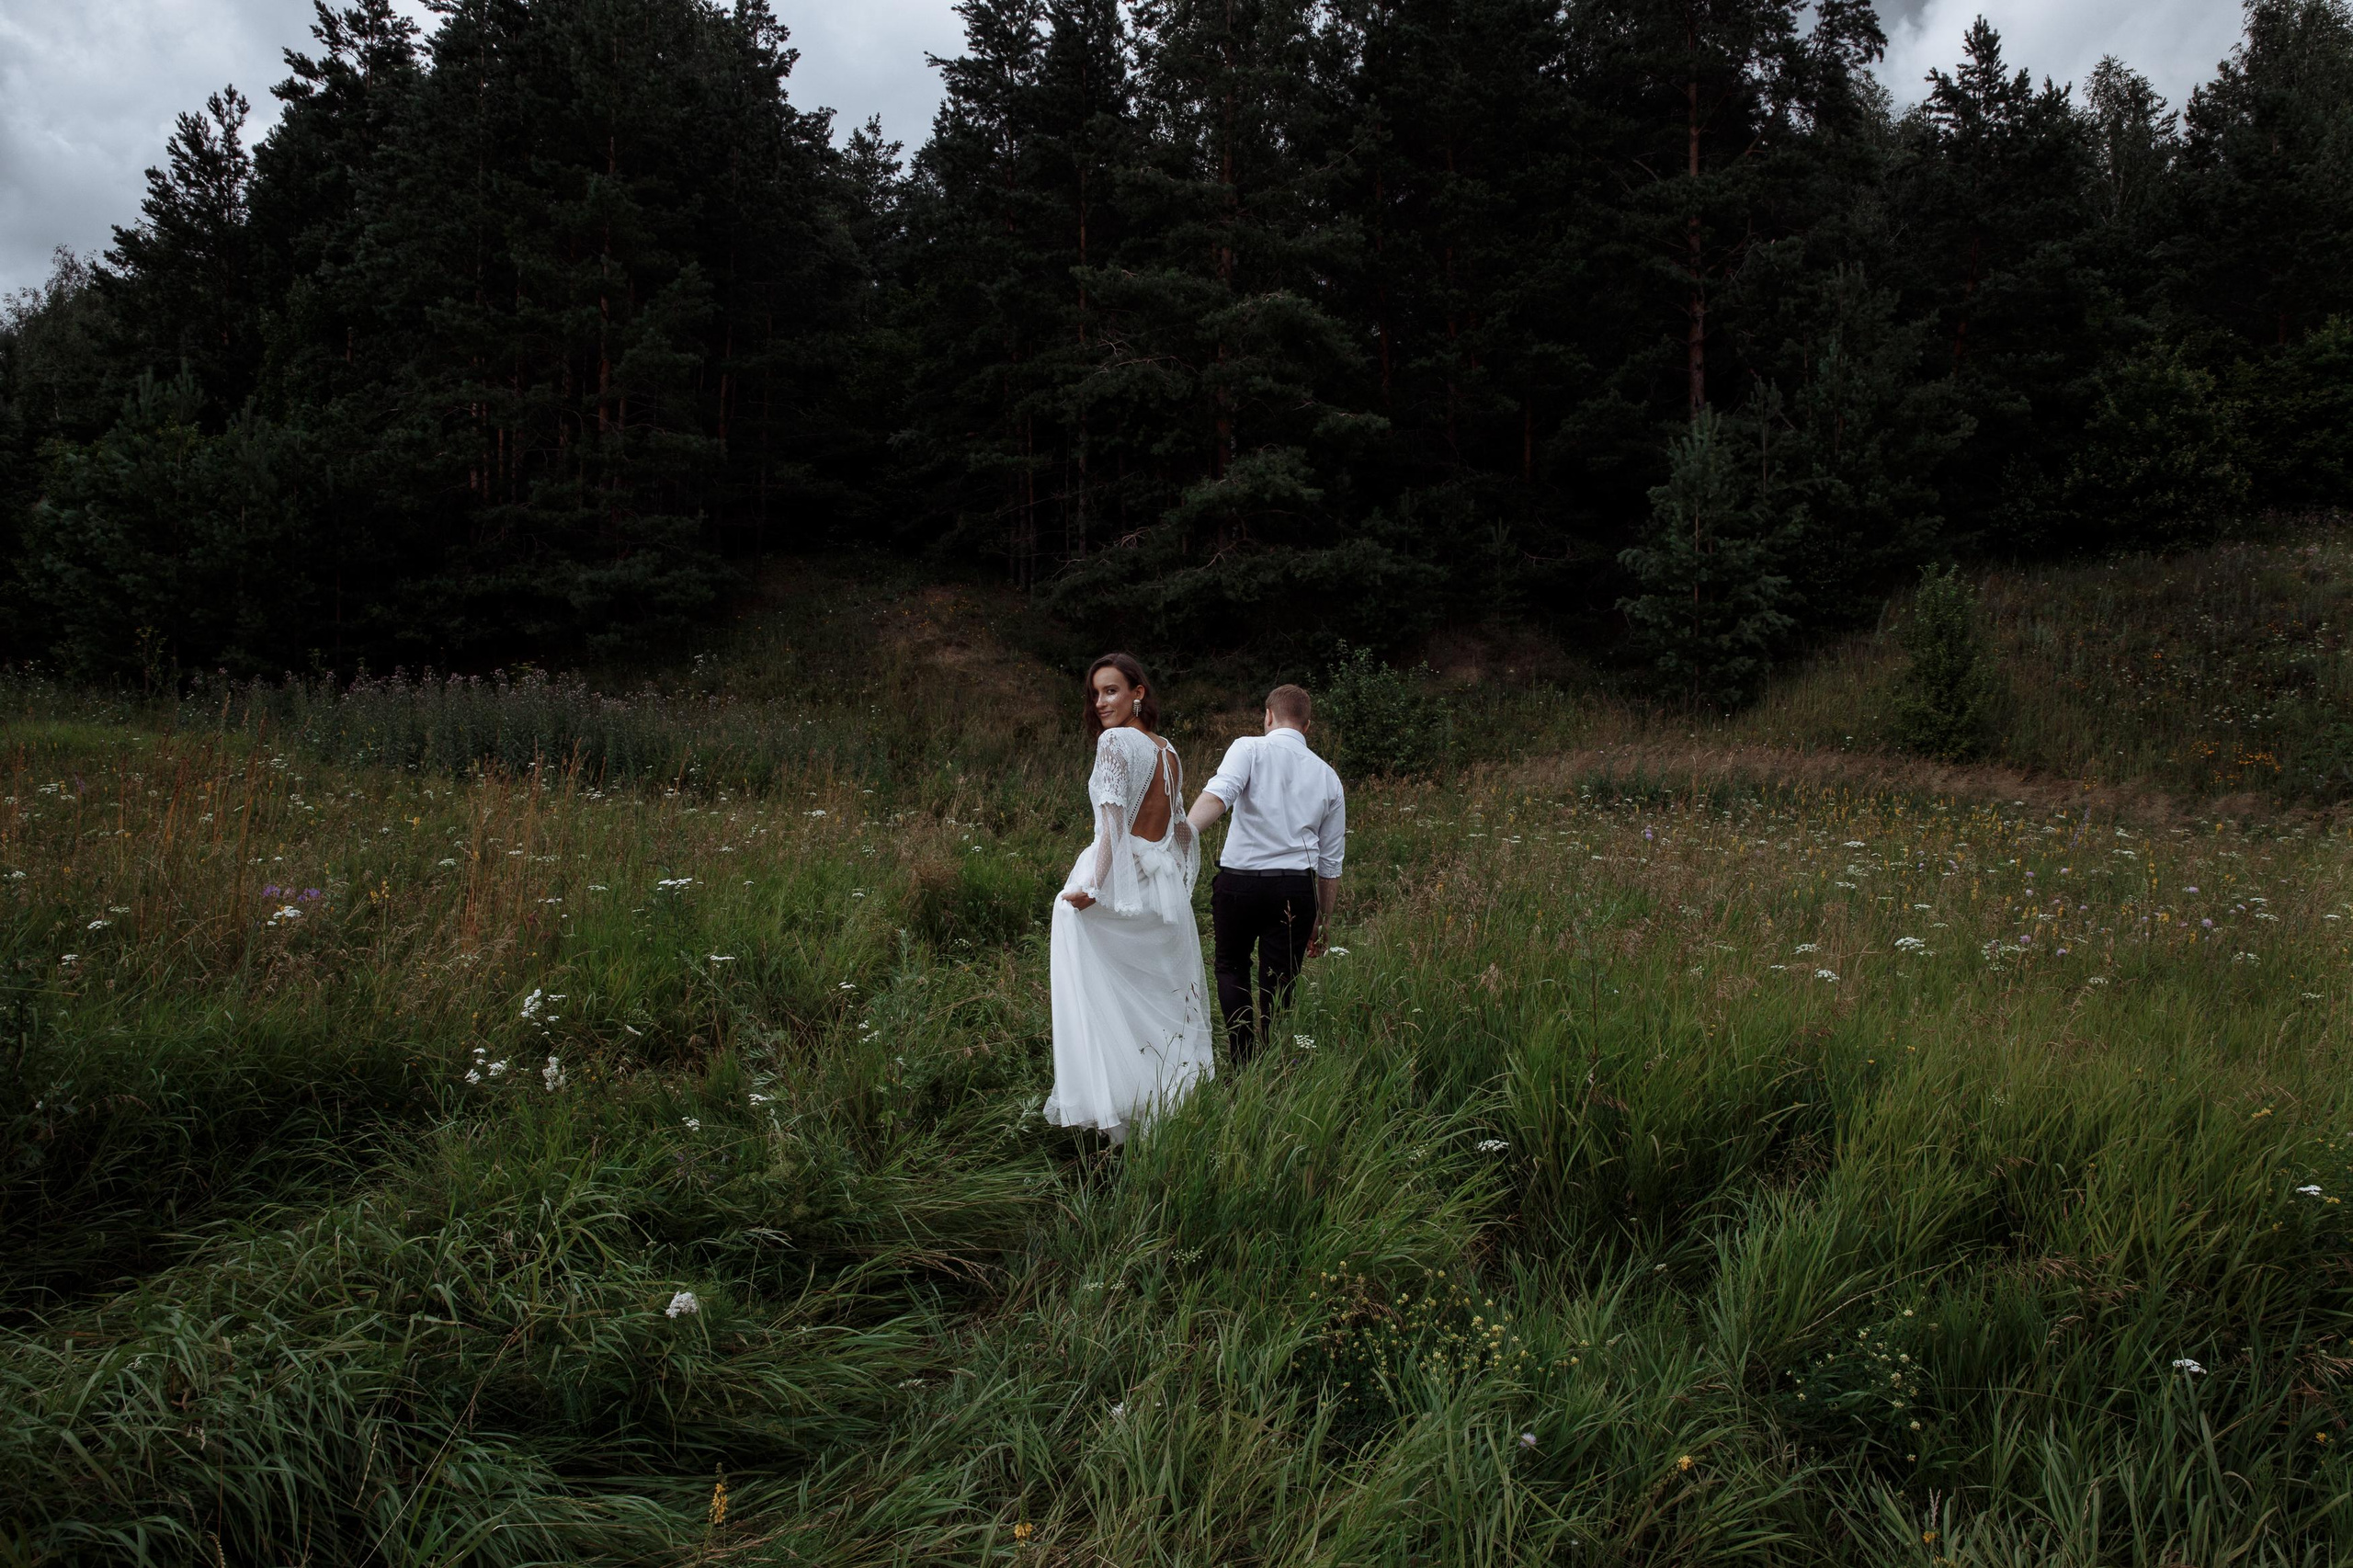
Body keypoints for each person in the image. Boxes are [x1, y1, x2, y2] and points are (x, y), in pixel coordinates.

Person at [1043, 653, 1214, 1144]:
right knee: (1160, 1001)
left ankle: (1111, 1109)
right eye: (1096, 693)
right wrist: (1174, 884)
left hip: (1118, 882)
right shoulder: (1169, 751)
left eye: (1112, 690)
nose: (1101, 702)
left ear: (1139, 692)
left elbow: (1114, 823)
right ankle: (1171, 1108)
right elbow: (1181, 832)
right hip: (1158, 889)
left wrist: (1094, 889)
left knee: (1098, 992)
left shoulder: (1116, 742)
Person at [1185, 683, 1345, 1067]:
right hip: (1295, 888)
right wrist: (1323, 920)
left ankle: (1242, 1060)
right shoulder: (1328, 776)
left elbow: (1218, 796)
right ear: (1307, 726)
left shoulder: (1248, 748)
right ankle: (1273, 1057)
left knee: (1231, 965)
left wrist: (1179, 836)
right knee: (1280, 976)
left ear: (1268, 716)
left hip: (1238, 882)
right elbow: (1330, 863)